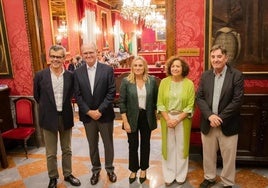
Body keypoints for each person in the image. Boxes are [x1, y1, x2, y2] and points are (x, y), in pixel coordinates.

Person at [196, 44, 244, 188]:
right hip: (208, 123)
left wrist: (219, 118)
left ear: (225, 58)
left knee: (228, 157)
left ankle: (227, 182)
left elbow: (238, 100)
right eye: (213, 57)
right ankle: (209, 177)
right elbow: (199, 97)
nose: (216, 59)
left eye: (219, 56)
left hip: (228, 123)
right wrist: (210, 116)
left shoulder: (236, 75)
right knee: (208, 154)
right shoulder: (205, 75)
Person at [33, 45, 81, 188]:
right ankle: (53, 177)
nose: (55, 59)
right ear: (49, 57)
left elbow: (73, 94)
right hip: (48, 118)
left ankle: (68, 174)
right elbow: (37, 96)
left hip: (65, 116)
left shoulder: (70, 76)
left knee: (67, 149)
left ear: (64, 58)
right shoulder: (40, 75)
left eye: (59, 57)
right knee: (51, 152)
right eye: (53, 56)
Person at [73, 42, 117, 185]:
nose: (88, 55)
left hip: (104, 115)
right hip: (88, 116)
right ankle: (96, 170)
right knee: (92, 145)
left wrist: (99, 110)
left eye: (91, 52)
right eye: (85, 53)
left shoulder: (107, 69)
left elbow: (111, 92)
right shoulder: (77, 72)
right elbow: (77, 95)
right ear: (82, 55)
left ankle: (110, 169)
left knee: (108, 144)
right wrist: (88, 111)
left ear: (96, 52)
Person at [119, 56, 158, 184]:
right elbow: (122, 102)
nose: (138, 68)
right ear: (132, 67)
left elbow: (156, 100)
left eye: (140, 65)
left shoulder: (152, 81)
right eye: (135, 65)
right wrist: (125, 121)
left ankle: (144, 169)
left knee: (145, 144)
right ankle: (133, 169)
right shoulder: (126, 81)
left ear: (145, 67)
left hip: (147, 117)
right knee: (133, 145)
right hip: (131, 117)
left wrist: (156, 115)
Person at [157, 56, 195, 186]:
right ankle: (169, 174)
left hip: (183, 119)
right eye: (173, 66)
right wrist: (168, 119)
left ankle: (180, 175)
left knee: (181, 147)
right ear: (169, 68)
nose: (175, 68)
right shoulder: (164, 82)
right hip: (166, 118)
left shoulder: (189, 84)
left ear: (183, 68)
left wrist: (177, 119)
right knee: (169, 147)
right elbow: (160, 103)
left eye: (178, 66)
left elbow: (190, 105)